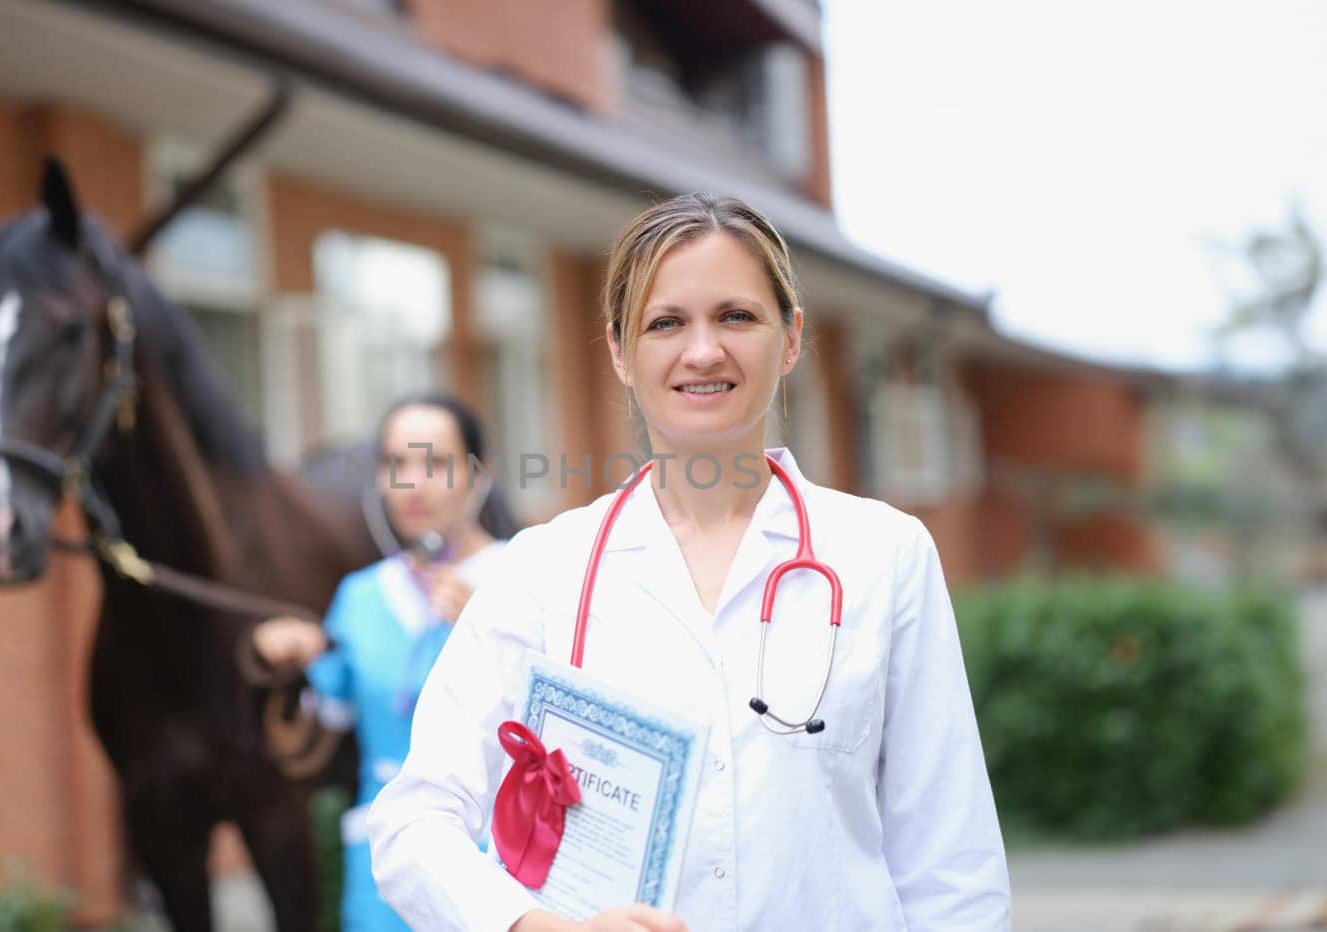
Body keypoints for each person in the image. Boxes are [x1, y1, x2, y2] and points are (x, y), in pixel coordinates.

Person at [365, 194, 1012, 932]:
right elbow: (413, 821)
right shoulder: (544, 570)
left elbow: (952, 866)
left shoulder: (884, 555)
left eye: (736, 316)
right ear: (618, 351)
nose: (703, 351)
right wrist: (534, 928)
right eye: (666, 323)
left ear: (791, 337)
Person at [250, 394, 511, 932]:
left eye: (435, 464)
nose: (411, 485)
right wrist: (291, 660)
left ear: (479, 476)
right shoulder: (362, 596)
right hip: (382, 872)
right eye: (397, 465)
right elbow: (319, 724)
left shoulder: (524, 578)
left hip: (501, 869)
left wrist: (488, 626)